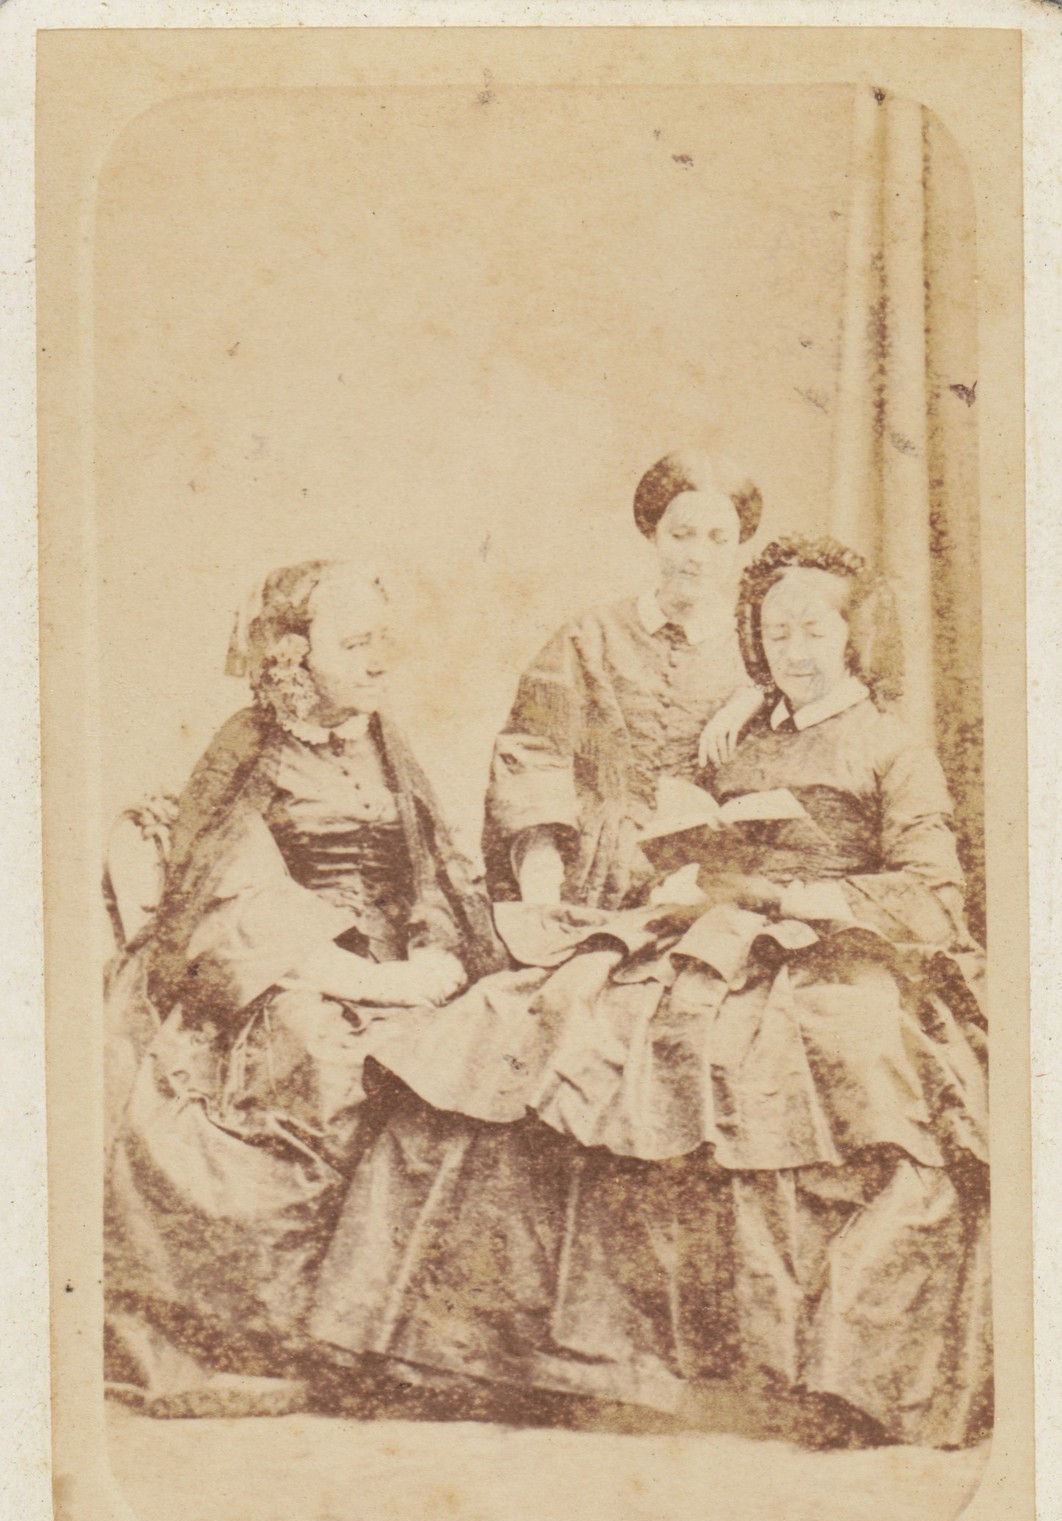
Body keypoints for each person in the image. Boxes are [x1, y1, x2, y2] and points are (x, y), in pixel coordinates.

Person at [311, 537, 990, 1451]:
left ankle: (783, 1374)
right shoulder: (741, 734)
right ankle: (490, 1350)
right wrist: (684, 866)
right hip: (709, 932)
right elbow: (691, 840)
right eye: (776, 632)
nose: (794, 650)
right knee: (543, 1030)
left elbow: (931, 894)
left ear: (854, 636)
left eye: (814, 631)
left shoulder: (891, 747)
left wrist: (795, 897)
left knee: (788, 1075)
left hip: (830, 950)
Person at [104, 560, 500, 1417]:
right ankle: (305, 1340)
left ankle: (413, 1344)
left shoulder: (384, 739)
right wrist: (373, 979)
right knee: (324, 1061)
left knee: (483, 1053)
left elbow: (432, 867)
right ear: (295, 655)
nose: (378, 660)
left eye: (383, 641)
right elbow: (234, 900)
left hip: (396, 962)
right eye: (355, 644)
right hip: (278, 973)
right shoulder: (248, 747)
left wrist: (434, 954)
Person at [484, 448, 769, 909]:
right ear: (653, 532)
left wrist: (757, 694)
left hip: (713, 875)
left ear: (740, 543)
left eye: (719, 539)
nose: (698, 556)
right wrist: (540, 874)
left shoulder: (764, 650)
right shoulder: (590, 635)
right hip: (594, 865)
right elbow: (533, 752)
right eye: (681, 535)